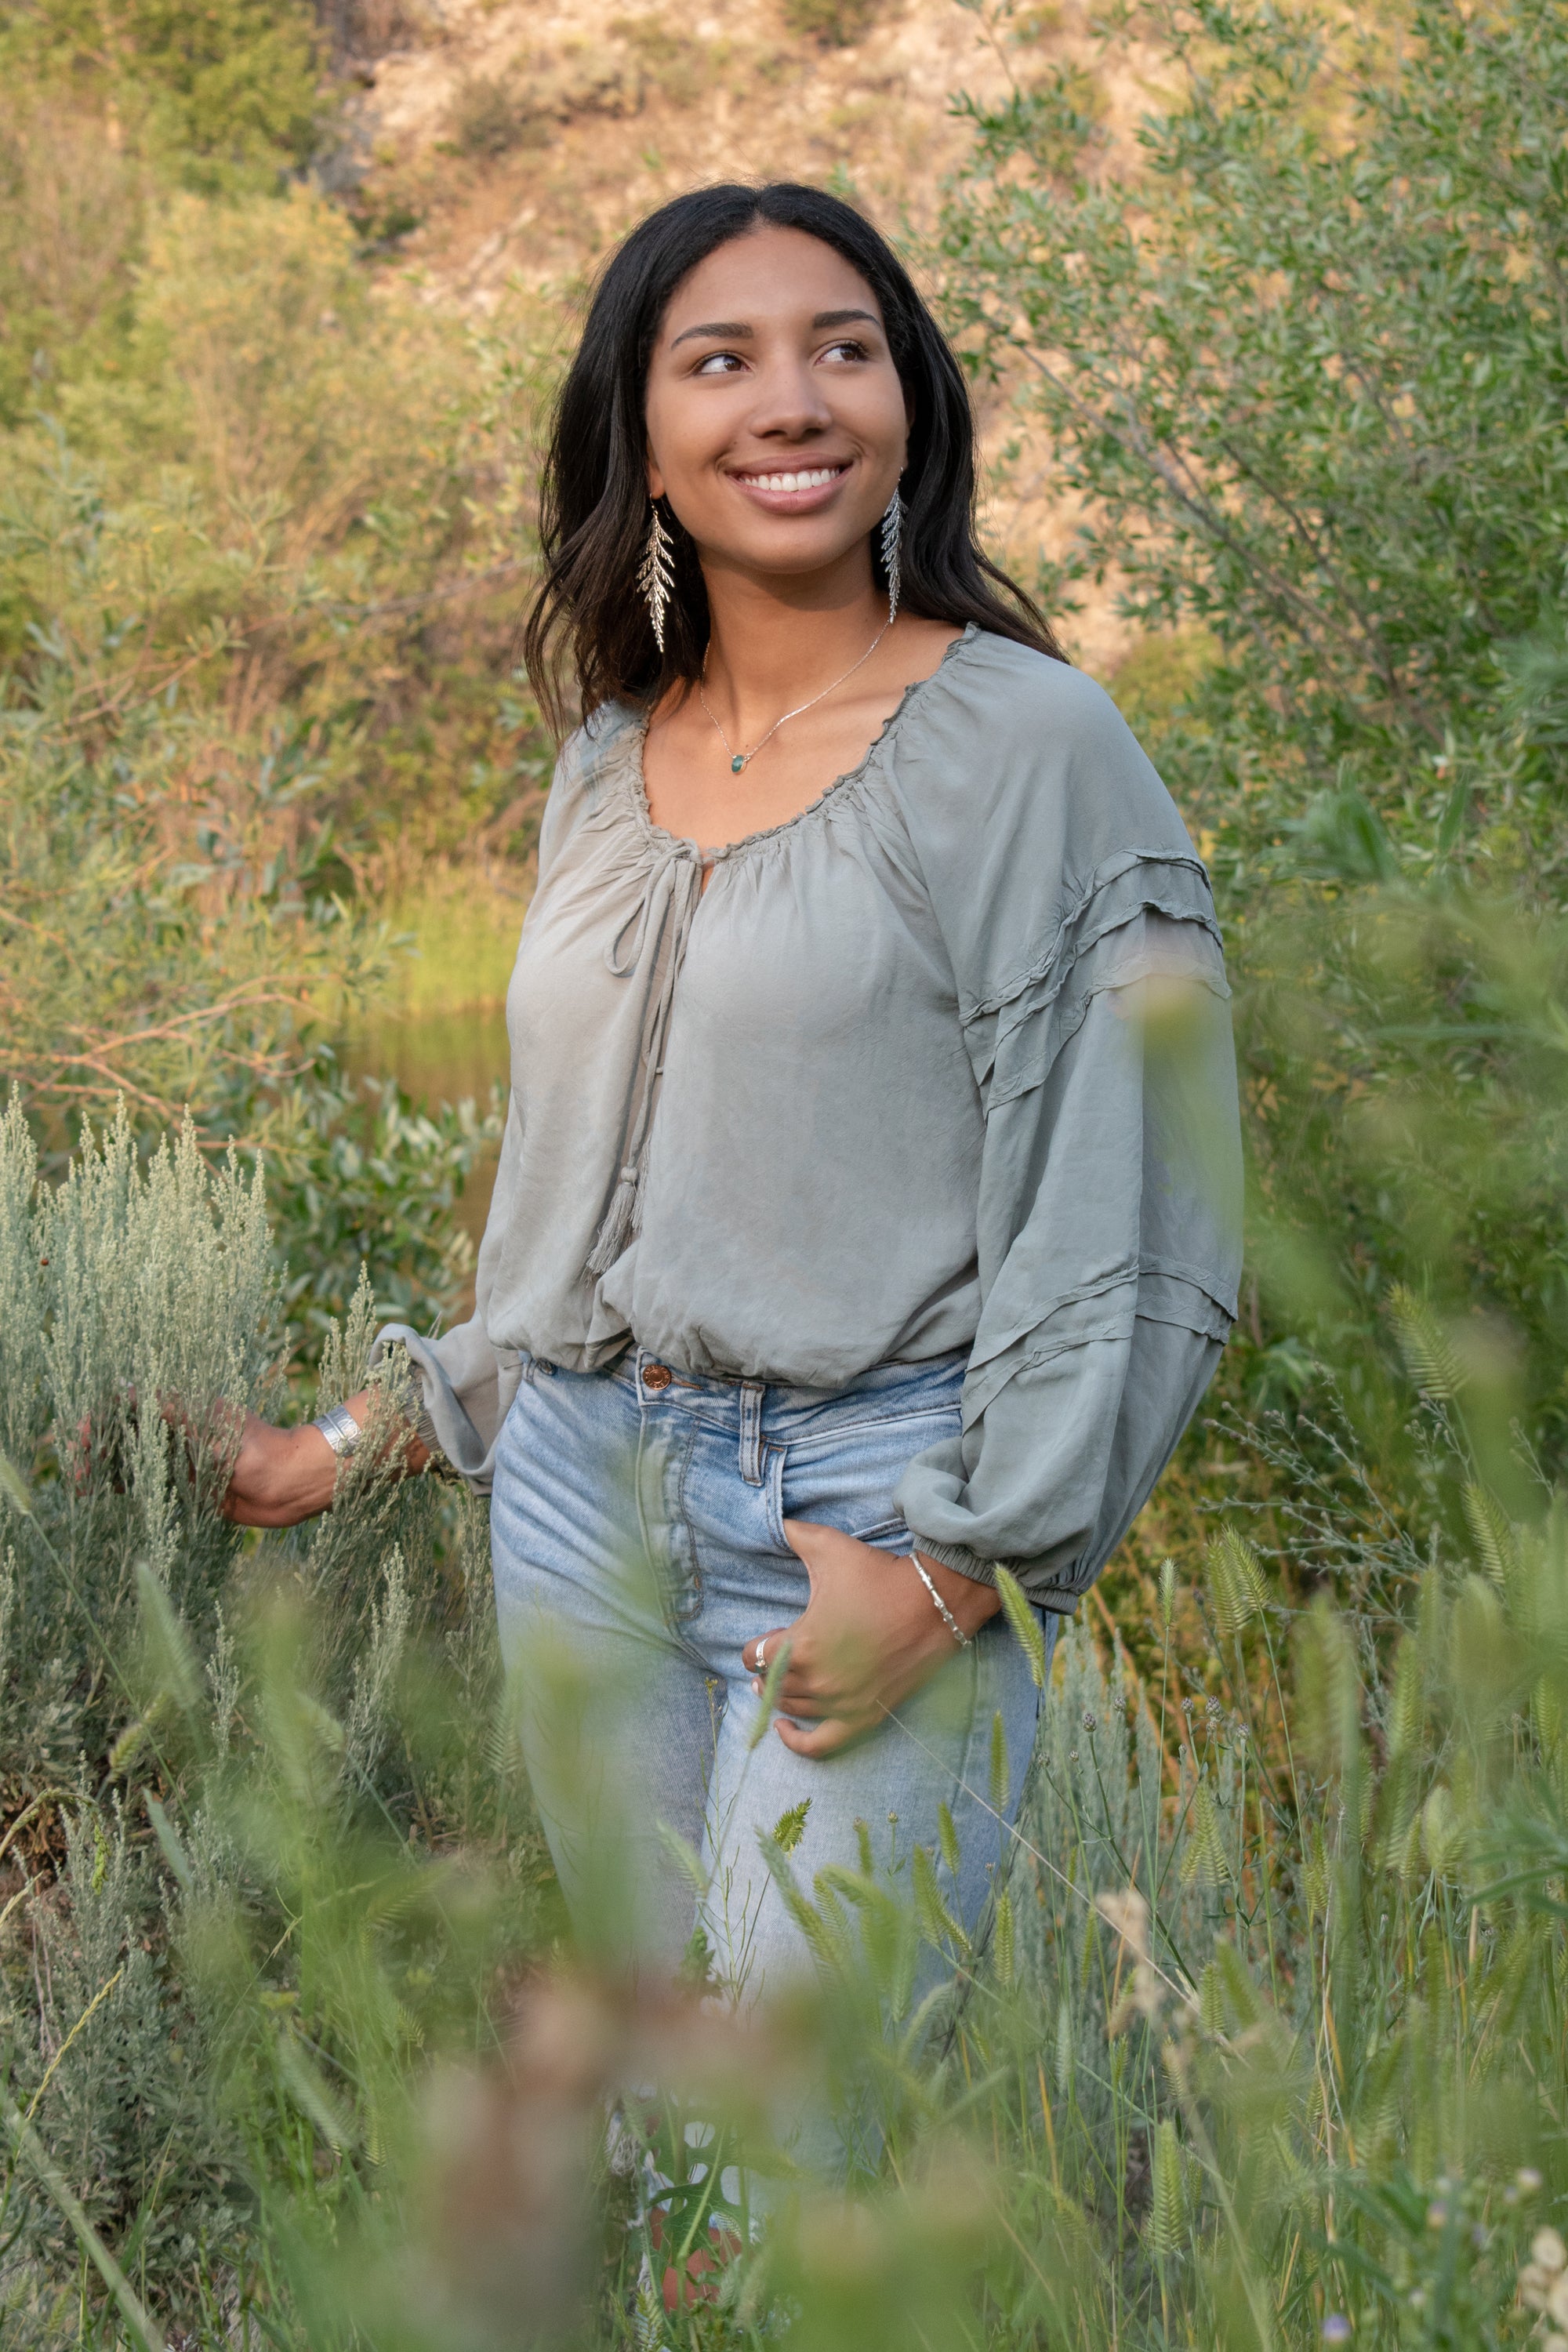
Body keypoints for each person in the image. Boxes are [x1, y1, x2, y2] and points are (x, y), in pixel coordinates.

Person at [219, 183, 1241, 2020]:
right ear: (648, 444)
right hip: (581, 1505)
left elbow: (1135, 1211)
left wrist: (958, 1568)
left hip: (876, 1497)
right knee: (659, 2101)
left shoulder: (1033, 747)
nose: (794, 400)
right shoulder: (607, 763)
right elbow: (570, 1228)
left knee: (793, 2138)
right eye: (724, 361)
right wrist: (357, 1435)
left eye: (842, 350)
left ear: (907, 407)